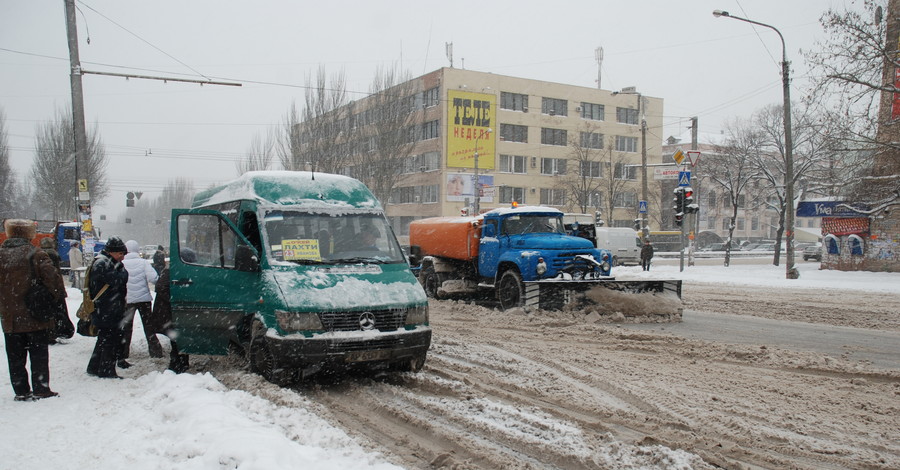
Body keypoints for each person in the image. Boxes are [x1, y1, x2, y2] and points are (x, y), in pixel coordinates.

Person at [0, 219, 66, 400]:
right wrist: (49, 297)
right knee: (38, 354)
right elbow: (53, 280)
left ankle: (21, 391)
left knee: (15, 357)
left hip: (9, 318)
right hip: (35, 314)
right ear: (29, 234)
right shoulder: (36, 254)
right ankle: (41, 388)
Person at [86, 237, 130, 379]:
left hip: (106, 308)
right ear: (112, 252)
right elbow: (118, 279)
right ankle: (106, 370)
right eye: (120, 254)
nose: (122, 257)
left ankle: (94, 366)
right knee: (110, 340)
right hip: (107, 309)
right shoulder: (103, 263)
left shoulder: (103, 261)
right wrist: (123, 272)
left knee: (104, 339)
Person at [120, 240, 162, 366]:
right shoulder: (143, 263)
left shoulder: (121, 263)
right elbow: (154, 278)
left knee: (127, 327)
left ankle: (123, 352)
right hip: (144, 300)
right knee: (148, 326)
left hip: (128, 300)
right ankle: (155, 351)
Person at [149, 262, 189, 373]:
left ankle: (181, 363)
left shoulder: (174, 270)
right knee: (176, 337)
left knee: (178, 337)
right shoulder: (171, 271)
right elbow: (160, 286)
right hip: (167, 311)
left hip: (169, 311)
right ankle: (176, 365)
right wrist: (174, 300)